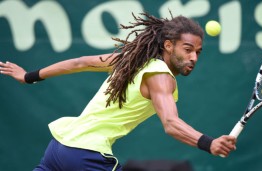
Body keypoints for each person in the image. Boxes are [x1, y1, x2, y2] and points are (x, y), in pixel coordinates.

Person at [0, 12, 236, 171]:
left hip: (58, 148)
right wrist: (209, 143)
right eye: (187, 49)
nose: (193, 57)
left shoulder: (131, 60)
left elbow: (79, 62)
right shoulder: (161, 76)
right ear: (168, 45)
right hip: (85, 155)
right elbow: (171, 123)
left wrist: (28, 76)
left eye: (198, 52)